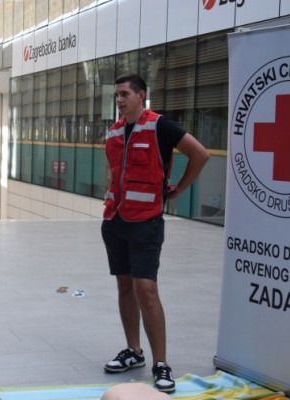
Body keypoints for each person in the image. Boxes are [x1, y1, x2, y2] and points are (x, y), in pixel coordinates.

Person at [101, 74, 209, 393]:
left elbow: (200, 154)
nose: (119, 100)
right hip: (115, 220)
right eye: (116, 94)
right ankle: (134, 351)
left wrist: (176, 191)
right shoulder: (115, 130)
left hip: (146, 221)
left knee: (146, 289)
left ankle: (161, 363)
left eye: (124, 94)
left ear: (141, 96)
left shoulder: (161, 125)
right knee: (124, 286)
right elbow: (114, 173)